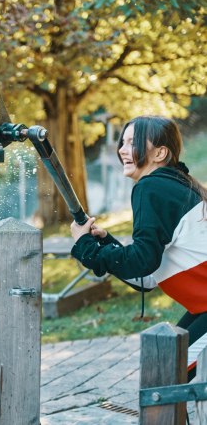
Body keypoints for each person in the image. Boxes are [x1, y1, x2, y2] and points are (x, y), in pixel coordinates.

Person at [70, 115, 207, 378]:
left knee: (171, 372)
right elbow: (146, 277)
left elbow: (143, 261)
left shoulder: (152, 186)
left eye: (133, 142)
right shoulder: (171, 185)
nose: (122, 149)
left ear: (160, 153)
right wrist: (105, 242)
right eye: (123, 141)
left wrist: (87, 246)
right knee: (169, 366)